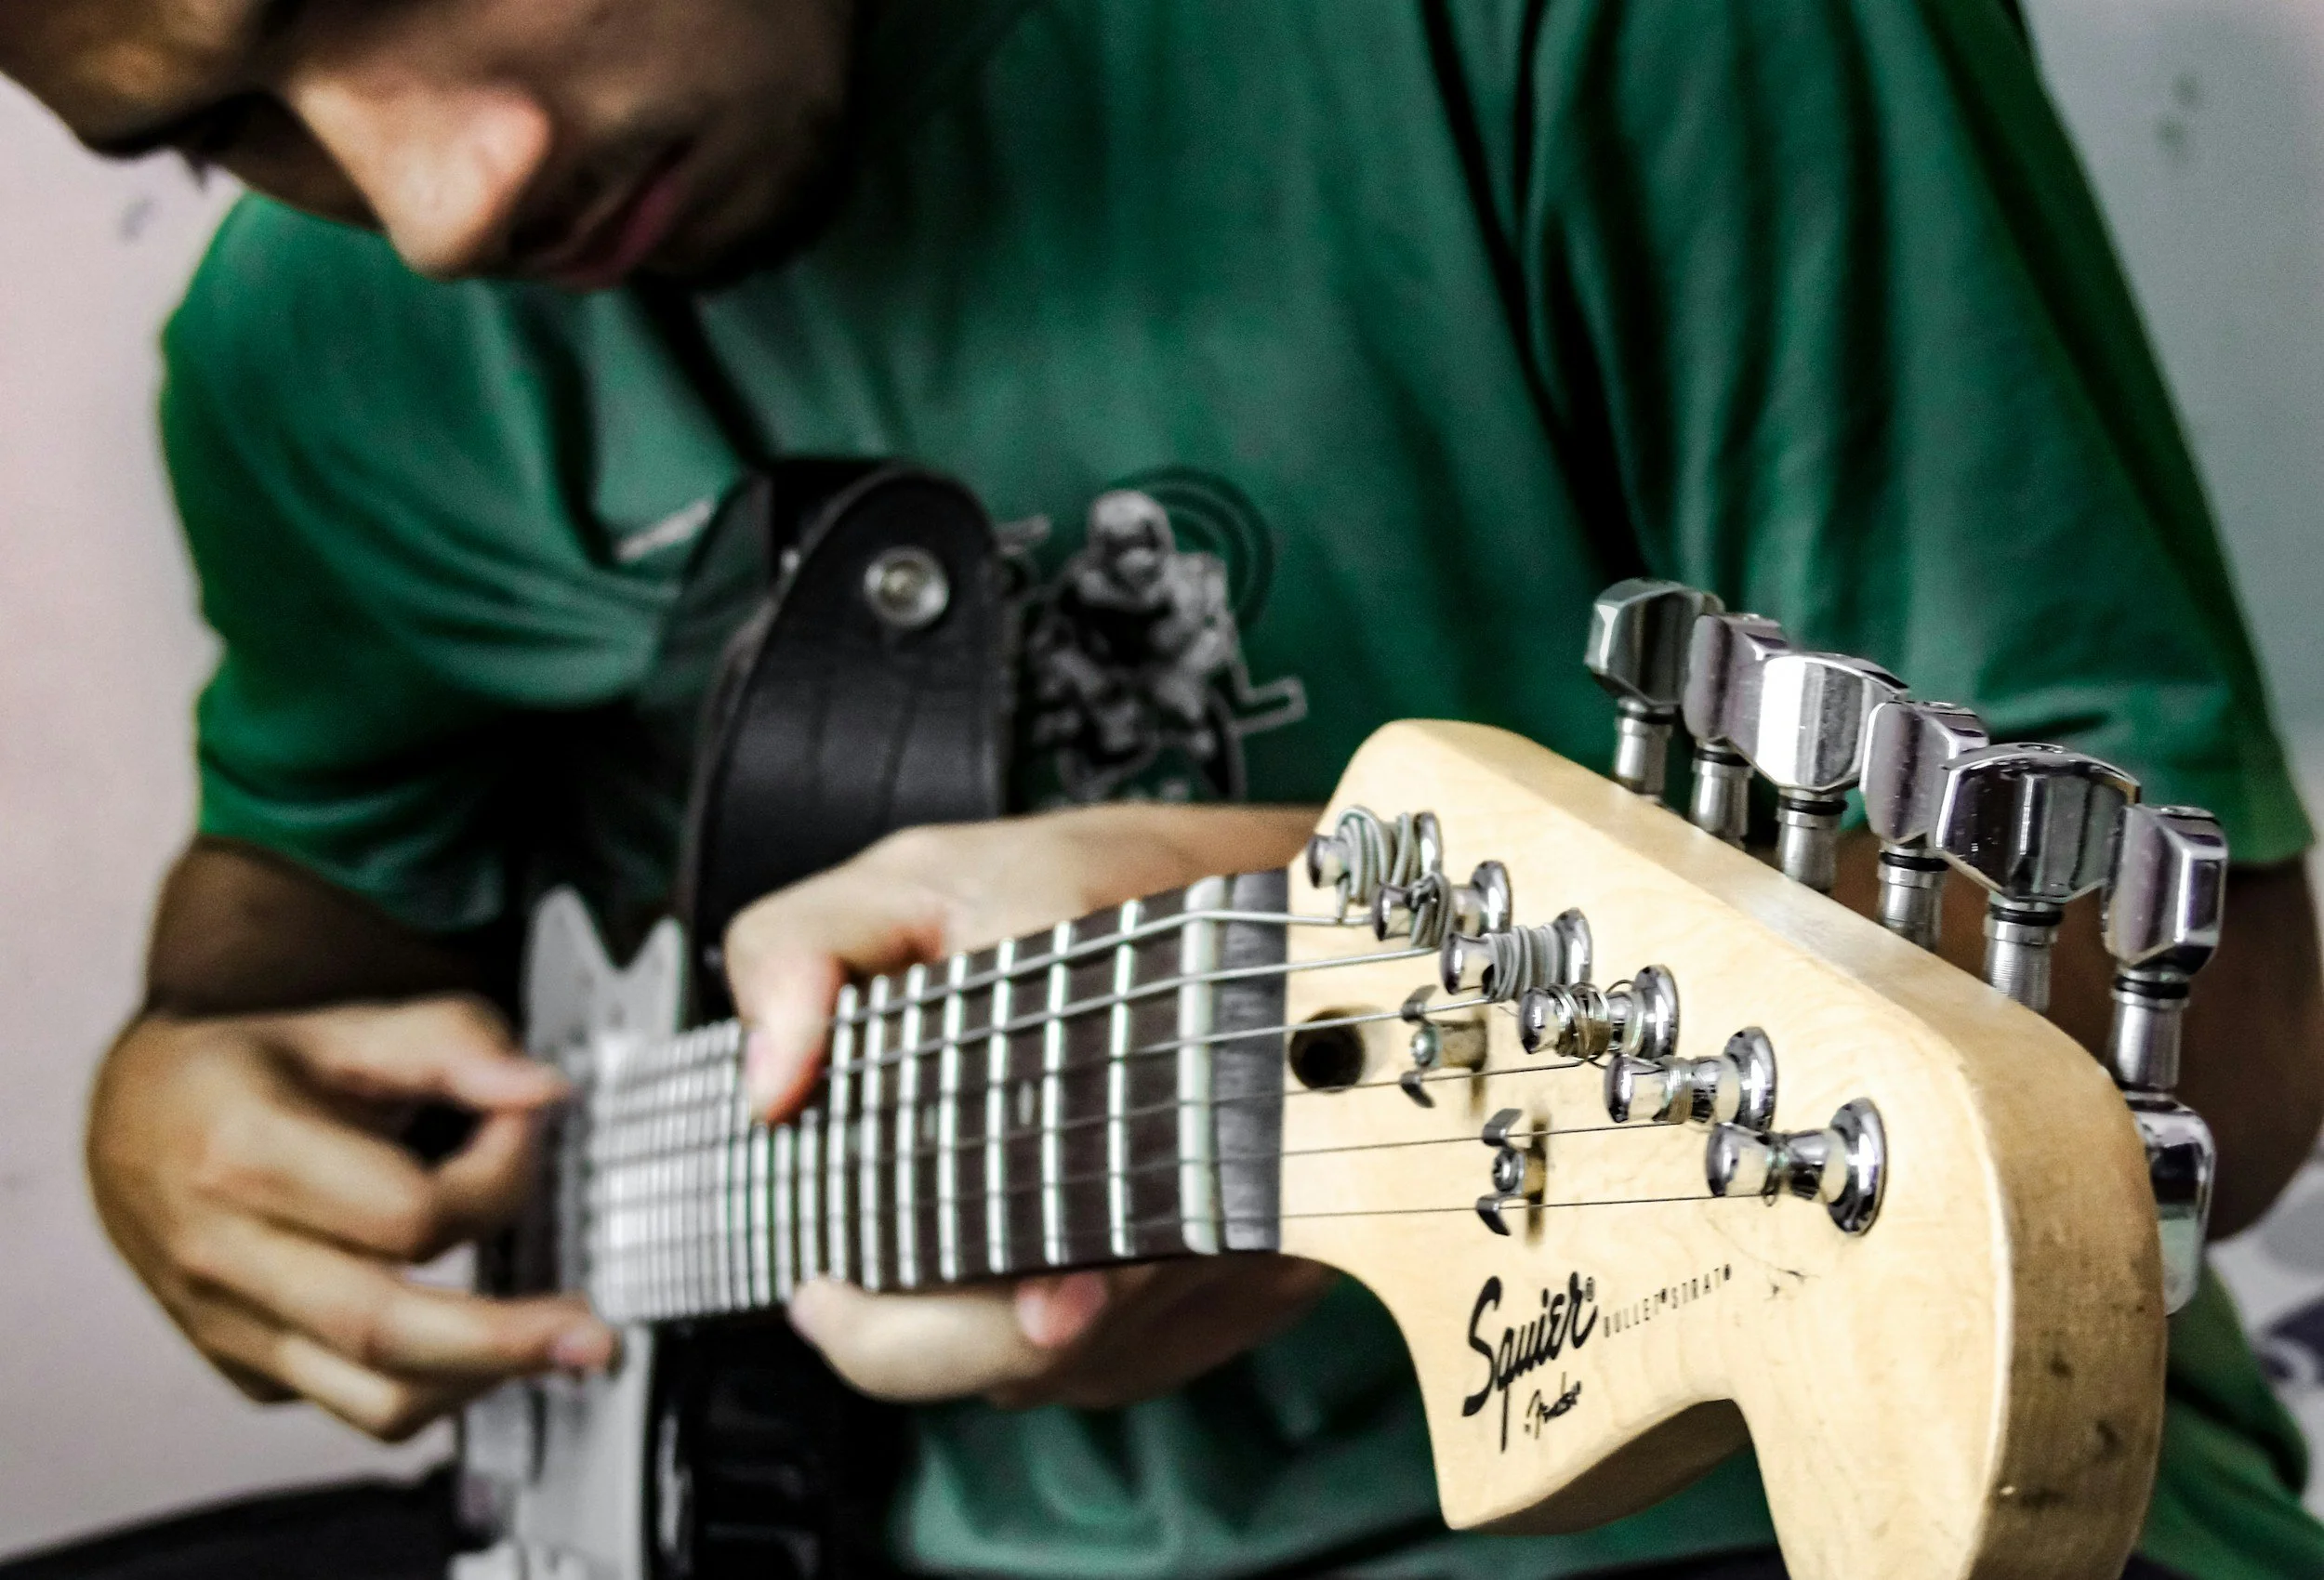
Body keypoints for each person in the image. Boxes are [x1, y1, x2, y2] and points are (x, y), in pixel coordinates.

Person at [3, 1, 2321, 1576]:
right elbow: (311, 884)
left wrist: (1317, 948)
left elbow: (2205, 1050)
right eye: (218, 127)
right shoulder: (306, 361)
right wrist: (169, 1089)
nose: (435, 200)